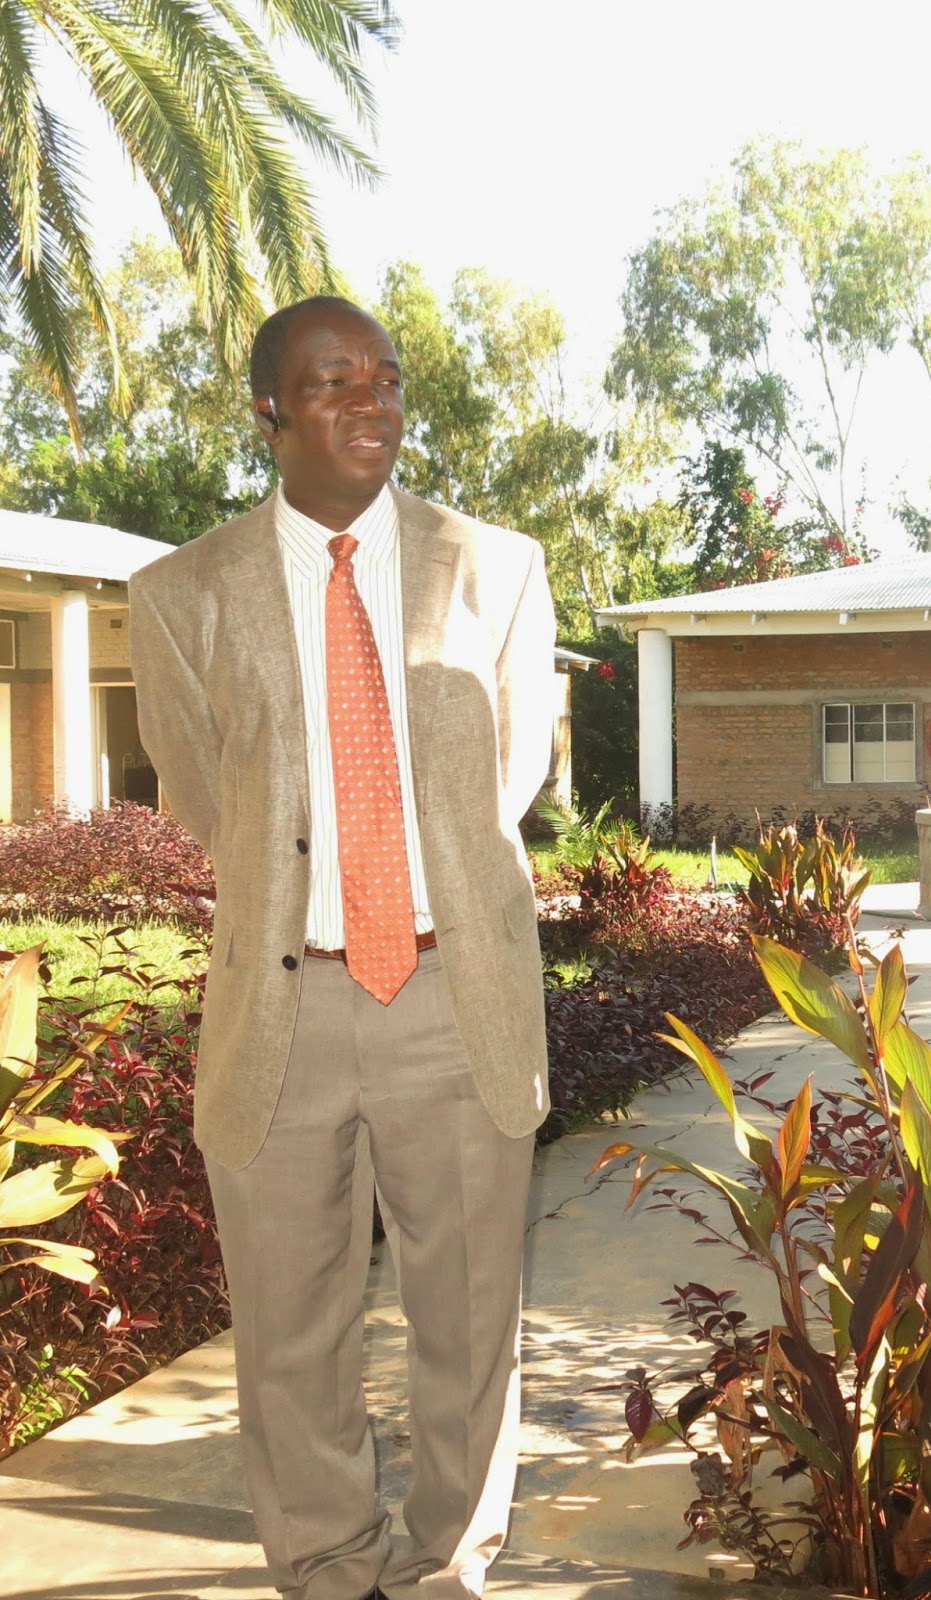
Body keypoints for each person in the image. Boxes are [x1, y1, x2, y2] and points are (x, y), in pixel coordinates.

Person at [130, 296, 556, 1600]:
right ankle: (324, 1566)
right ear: (269, 411)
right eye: (333, 382)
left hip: (454, 997)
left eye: (385, 377)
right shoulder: (183, 593)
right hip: (285, 1006)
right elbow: (202, 791)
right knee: (289, 1330)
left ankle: (444, 1569)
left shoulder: (495, 569)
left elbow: (510, 777)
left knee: (468, 1322)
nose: (371, 401)